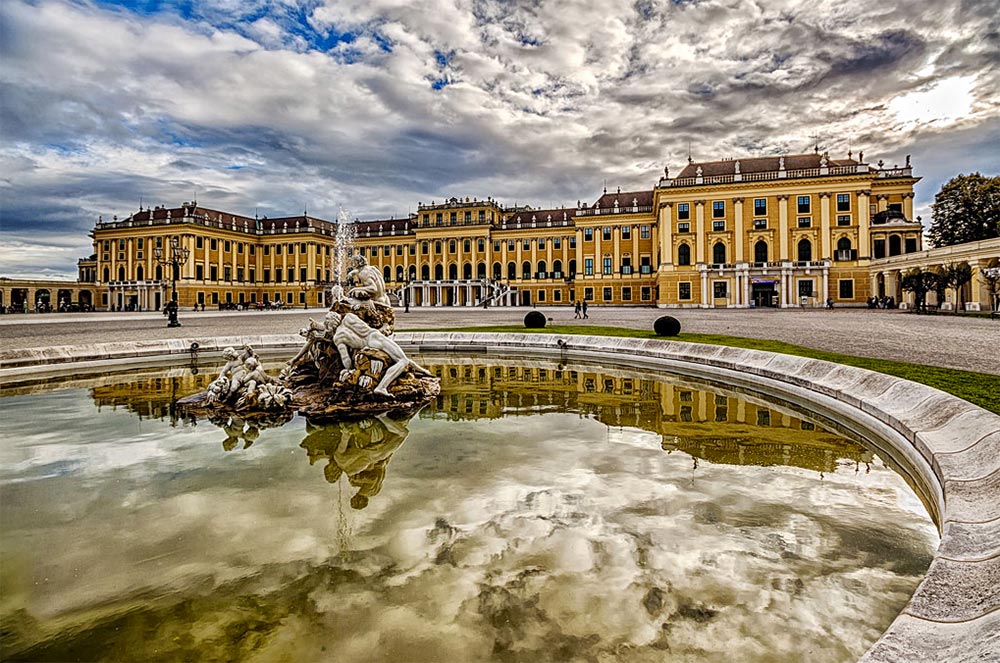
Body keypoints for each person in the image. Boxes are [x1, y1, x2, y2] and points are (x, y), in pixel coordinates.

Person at [328, 310, 431, 397]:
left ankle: (424, 371)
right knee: (402, 360)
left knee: (401, 359)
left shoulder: (338, 337)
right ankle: (381, 387)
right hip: (375, 337)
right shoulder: (349, 317)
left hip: (368, 345)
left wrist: (351, 370)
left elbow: (346, 358)